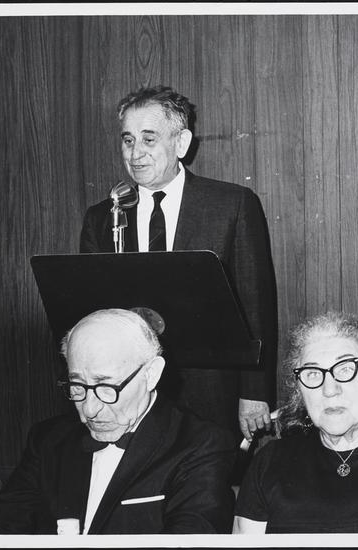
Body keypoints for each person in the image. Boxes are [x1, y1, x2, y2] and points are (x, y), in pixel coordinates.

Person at [80, 85, 277, 443]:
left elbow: (255, 306)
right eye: (128, 140)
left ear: (181, 143)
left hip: (212, 393)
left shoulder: (231, 205)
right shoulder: (101, 218)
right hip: (129, 394)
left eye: (149, 139)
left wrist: (254, 392)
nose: (135, 153)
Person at [0, 309, 236, 534]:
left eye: (107, 387)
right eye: (77, 385)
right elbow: (2, 527)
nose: (89, 410)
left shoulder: (202, 445)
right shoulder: (47, 438)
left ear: (151, 374)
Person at [233, 311, 358, 534]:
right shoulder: (270, 462)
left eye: (346, 368)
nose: (329, 389)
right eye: (313, 373)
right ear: (300, 389)